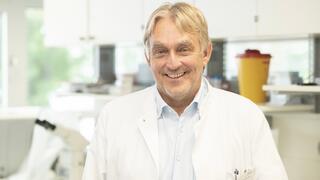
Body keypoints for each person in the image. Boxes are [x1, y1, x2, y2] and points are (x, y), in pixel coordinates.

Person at [82, 2, 288, 180]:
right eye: (161, 51)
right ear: (148, 58)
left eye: (183, 49)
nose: (172, 63)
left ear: (206, 52)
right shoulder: (114, 118)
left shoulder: (246, 116)